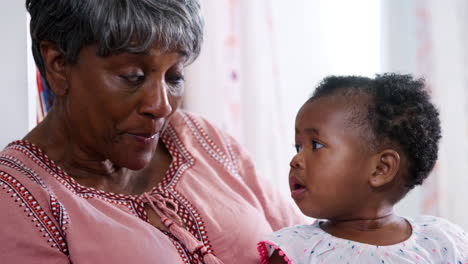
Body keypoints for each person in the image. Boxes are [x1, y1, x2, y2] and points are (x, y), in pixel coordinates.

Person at [0, 0, 304, 263]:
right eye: (133, 76)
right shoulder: (16, 199)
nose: (161, 106)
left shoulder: (202, 137)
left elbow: (307, 246)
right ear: (58, 64)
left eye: (175, 76)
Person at [257, 74, 468, 263]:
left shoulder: (441, 241)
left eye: (316, 145)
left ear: (380, 168)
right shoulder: (296, 251)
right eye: (298, 146)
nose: (296, 160)